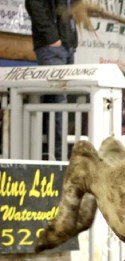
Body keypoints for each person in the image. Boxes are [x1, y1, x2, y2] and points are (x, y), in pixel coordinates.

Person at [24, 0, 78, 159]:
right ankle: (57, 156)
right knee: (57, 100)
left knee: (59, 100)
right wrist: (52, 38)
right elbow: (34, 4)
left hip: (66, 46)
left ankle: (52, 154)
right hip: (53, 46)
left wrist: (70, 41)